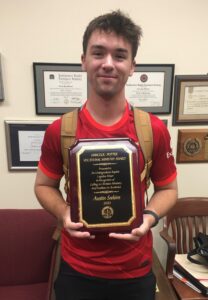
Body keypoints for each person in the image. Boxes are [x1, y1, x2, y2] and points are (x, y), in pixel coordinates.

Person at [34, 10, 178, 300]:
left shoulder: (152, 129)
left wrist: (148, 217)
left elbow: (168, 189)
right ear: (84, 60)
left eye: (120, 55)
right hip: (77, 270)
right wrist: (64, 212)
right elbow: (43, 185)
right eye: (98, 53)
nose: (108, 64)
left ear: (132, 66)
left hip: (135, 270)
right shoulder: (60, 130)